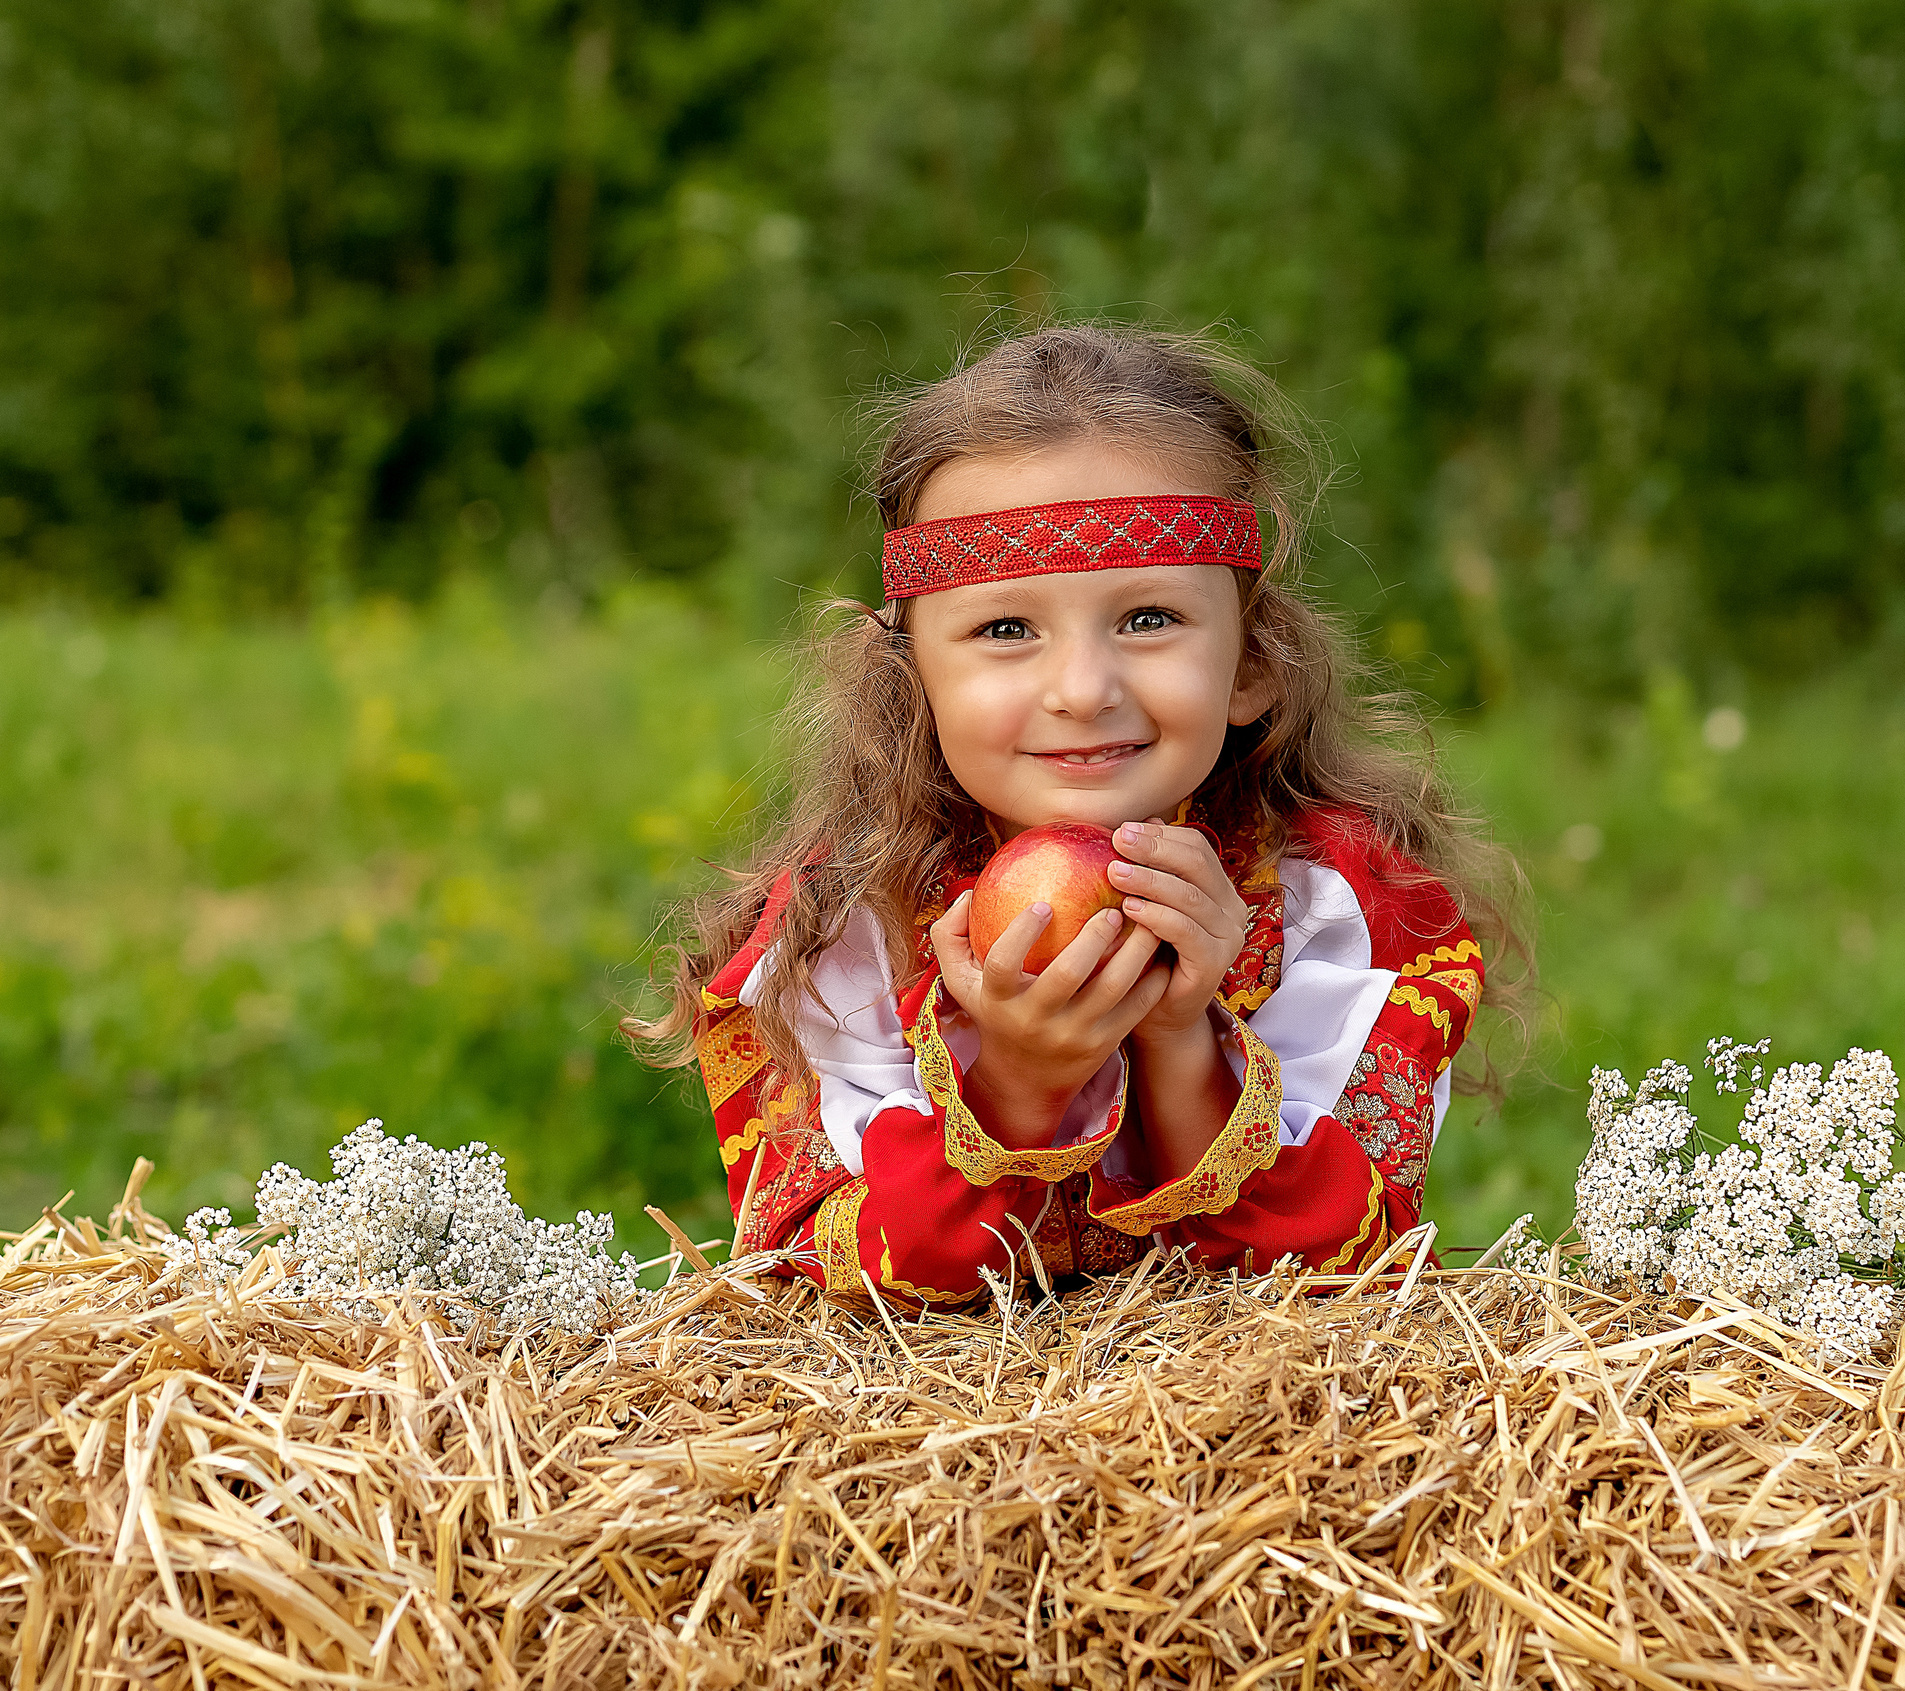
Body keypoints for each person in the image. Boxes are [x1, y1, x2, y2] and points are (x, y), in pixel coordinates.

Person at [630, 327, 1520, 1307]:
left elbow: (1346, 1269)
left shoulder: (1349, 906)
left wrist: (1185, 1043)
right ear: (910, 678)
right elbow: (822, 1274)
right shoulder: (846, 929)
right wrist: (1015, 1081)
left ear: (1254, 663)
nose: (1084, 689)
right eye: (1006, 629)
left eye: (1148, 620)